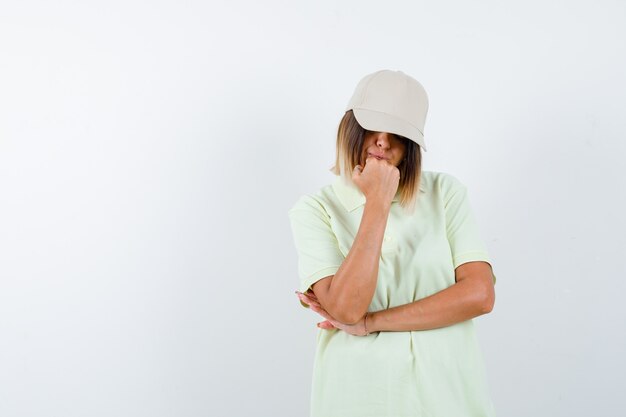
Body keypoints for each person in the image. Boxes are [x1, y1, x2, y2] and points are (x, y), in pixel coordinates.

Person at [288, 69, 497, 417]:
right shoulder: (315, 209)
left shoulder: (445, 194)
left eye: (397, 133)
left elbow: (480, 295)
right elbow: (345, 309)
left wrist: (372, 323)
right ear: (350, 129)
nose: (383, 142)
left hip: (448, 396)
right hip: (359, 398)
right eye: (372, 127)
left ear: (411, 145)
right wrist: (378, 202)